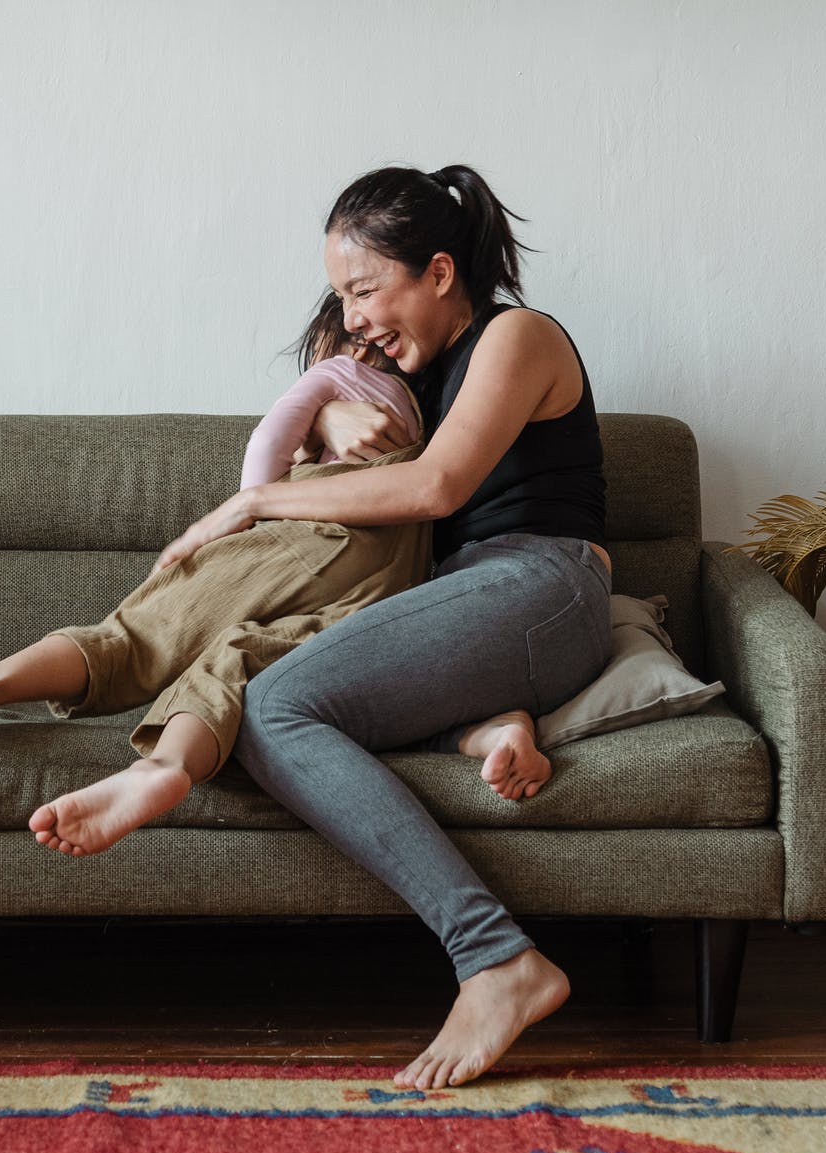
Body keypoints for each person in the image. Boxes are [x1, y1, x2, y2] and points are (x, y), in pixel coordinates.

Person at [153, 165, 613, 1092]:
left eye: (366, 289)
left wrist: (252, 505)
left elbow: (436, 486)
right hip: (461, 600)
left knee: (276, 706)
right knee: (275, 690)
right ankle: (486, 721)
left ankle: (498, 959)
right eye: (342, 296)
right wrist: (328, 405)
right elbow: (342, 419)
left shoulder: (516, 336)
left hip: (542, 581)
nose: (355, 315)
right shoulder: (415, 370)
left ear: (440, 272)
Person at [0, 292, 558, 859]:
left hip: (317, 535)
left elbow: (268, 440)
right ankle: (165, 768)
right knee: (243, 658)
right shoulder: (432, 403)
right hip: (393, 579)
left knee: (134, 637)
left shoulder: (333, 375)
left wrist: (255, 505)